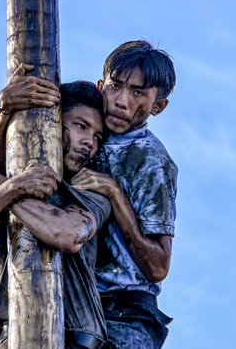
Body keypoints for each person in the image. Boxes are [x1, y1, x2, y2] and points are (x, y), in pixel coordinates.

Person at [0, 65, 111, 349]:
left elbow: (64, 234)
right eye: (80, 126)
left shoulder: (91, 193)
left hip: (76, 341)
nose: (90, 142)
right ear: (54, 121)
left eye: (98, 138)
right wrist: (10, 187)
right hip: (14, 337)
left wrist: (8, 190)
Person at [71, 40, 178, 348]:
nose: (121, 101)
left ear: (158, 106)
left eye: (138, 93)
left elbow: (158, 267)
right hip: (69, 298)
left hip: (124, 313)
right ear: (100, 86)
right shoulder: (78, 126)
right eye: (116, 86)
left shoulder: (150, 160)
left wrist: (115, 194)